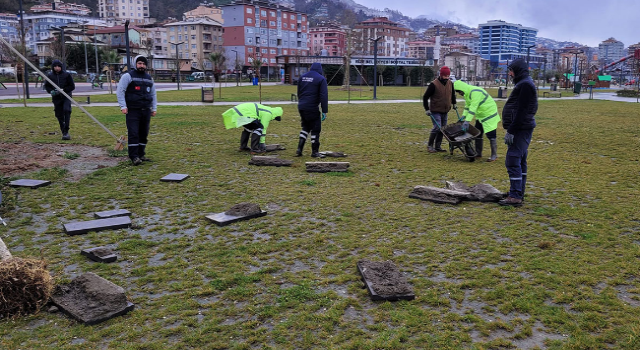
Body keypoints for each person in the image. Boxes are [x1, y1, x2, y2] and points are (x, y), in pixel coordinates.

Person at [499, 58, 537, 207]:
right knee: (519, 160)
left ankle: (515, 196)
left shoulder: (526, 85)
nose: (509, 73)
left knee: (513, 160)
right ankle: (517, 192)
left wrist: (512, 130)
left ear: (518, 70)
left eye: (511, 70)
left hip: (521, 128)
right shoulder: (524, 83)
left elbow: (522, 111)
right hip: (522, 127)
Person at [116, 55, 157, 166]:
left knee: (143, 133)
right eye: (139, 63)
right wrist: (123, 106)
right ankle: (134, 156)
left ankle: (141, 154)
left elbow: (153, 94)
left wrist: (154, 108)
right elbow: (120, 91)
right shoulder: (128, 76)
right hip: (133, 110)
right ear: (135, 64)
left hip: (146, 110)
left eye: (143, 64)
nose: (141, 66)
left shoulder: (149, 78)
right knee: (134, 133)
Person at [453, 80, 501, 162]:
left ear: (462, 89)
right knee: (478, 133)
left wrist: (467, 121)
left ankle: (494, 155)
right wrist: (463, 116)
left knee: (491, 135)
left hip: (489, 114)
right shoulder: (467, 94)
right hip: (481, 115)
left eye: (459, 91)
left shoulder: (475, 92)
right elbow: (468, 106)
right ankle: (478, 153)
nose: (459, 94)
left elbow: (473, 107)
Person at [296, 62, 328, 158]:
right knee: (315, 128)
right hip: (312, 107)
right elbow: (323, 96)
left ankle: (299, 149)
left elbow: (299, 92)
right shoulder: (321, 79)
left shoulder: (302, 77)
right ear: (320, 69)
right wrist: (324, 110)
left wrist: (301, 102)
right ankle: (315, 152)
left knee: (305, 127)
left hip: (301, 106)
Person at [423, 66, 457, 153]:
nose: (447, 77)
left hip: (445, 110)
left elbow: (452, 94)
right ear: (441, 75)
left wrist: (454, 103)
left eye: (448, 76)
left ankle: (438, 146)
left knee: (443, 129)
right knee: (437, 128)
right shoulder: (433, 84)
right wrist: (427, 109)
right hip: (435, 110)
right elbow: (425, 97)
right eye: (445, 76)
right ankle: (430, 146)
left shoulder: (450, 83)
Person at [44, 59, 75, 140]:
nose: (57, 68)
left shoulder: (67, 75)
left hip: (66, 97)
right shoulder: (50, 76)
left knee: (67, 110)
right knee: (59, 114)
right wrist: (51, 91)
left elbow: (72, 86)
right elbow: (47, 86)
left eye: (58, 66)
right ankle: (63, 131)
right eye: (55, 66)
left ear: (61, 67)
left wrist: (63, 90)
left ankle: (66, 130)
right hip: (56, 98)